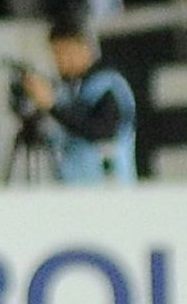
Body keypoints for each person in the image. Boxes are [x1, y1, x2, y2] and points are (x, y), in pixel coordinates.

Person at [19, 14, 137, 186]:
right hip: (76, 190)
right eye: (56, 54)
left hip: (109, 190)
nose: (61, 61)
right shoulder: (68, 90)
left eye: (66, 52)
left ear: (85, 48)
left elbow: (102, 130)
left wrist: (53, 105)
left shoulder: (108, 85)